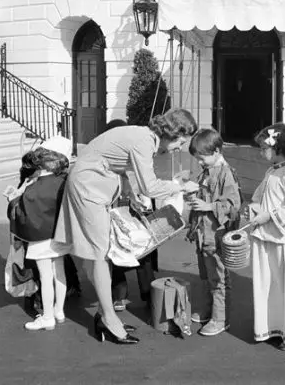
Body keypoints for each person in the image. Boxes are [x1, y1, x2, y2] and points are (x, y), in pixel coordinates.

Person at [54, 108, 198, 344]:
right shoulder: (143, 142)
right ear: (172, 133)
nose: (178, 148)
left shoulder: (142, 136)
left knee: (104, 254)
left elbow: (122, 165)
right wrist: (181, 187)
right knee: (100, 254)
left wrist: (131, 194)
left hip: (93, 184)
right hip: (89, 188)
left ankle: (105, 314)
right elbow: (149, 187)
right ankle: (108, 320)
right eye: (180, 142)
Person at [245, 123, 285, 350]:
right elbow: (260, 196)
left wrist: (267, 217)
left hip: (284, 240)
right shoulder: (271, 172)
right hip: (266, 236)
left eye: (264, 148)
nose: (261, 152)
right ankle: (272, 326)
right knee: (268, 284)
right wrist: (253, 208)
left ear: (278, 148)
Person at [8, 145, 72, 331]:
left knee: (45, 277)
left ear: (39, 167)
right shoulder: (63, 180)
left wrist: (15, 196)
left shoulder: (33, 188)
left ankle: (47, 317)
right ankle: (59, 311)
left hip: (40, 237)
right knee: (59, 272)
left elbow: (18, 212)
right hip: (60, 234)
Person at [186, 128, 241, 336]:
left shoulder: (226, 173)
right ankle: (211, 311)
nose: (199, 162)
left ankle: (220, 319)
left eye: (202, 158)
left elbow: (233, 205)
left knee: (219, 278)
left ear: (217, 151)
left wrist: (208, 207)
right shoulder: (208, 171)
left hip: (217, 236)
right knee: (208, 276)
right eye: (197, 159)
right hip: (205, 235)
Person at [103, 119, 159, 313]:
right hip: (131, 207)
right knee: (140, 251)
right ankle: (147, 293)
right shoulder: (129, 153)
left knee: (122, 249)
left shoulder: (121, 154)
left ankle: (123, 295)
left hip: (129, 207)